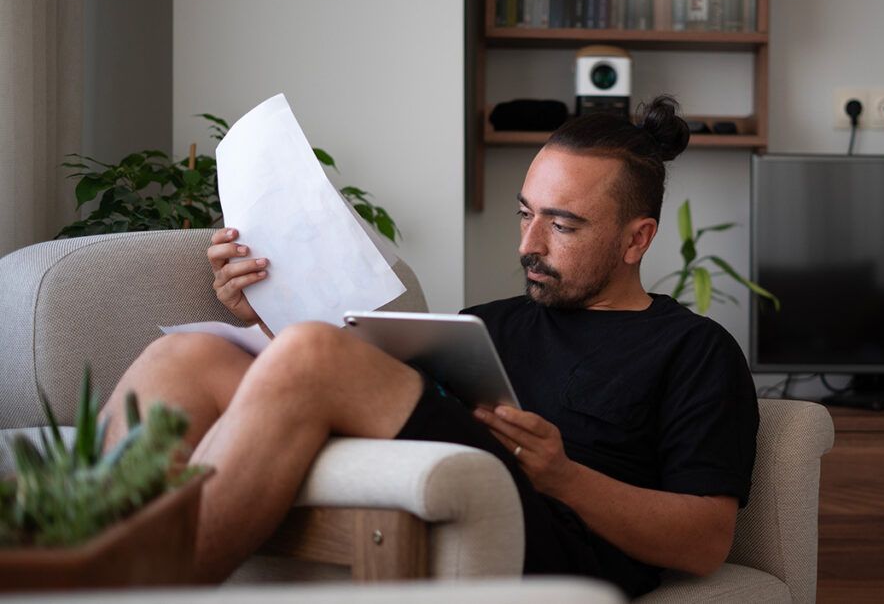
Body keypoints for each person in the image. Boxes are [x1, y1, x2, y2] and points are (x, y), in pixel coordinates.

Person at [100, 95, 758, 597]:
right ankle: (84, 557)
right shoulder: (487, 325)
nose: (529, 244)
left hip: (562, 544)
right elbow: (348, 392)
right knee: (188, 358)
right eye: (526, 213)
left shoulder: (694, 349)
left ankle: (125, 589)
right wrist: (262, 311)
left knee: (313, 353)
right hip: (442, 483)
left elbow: (706, 541)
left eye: (563, 224)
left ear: (636, 240)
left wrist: (564, 476)